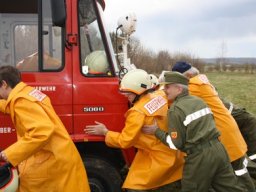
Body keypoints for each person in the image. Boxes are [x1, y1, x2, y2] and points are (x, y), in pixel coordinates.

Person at [85, 69, 184, 192]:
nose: (125, 96)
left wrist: (105, 132)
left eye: (128, 93)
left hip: (157, 157)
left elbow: (125, 141)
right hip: (173, 152)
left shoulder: (137, 112)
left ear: (138, 91)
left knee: (133, 187)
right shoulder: (159, 96)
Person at [0, 65, 90, 192]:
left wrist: (8, 154)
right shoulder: (27, 94)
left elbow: (41, 133)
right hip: (58, 158)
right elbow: (12, 106)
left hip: (50, 163)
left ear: (4, 84)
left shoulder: (22, 101)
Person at [172, 61, 255, 191]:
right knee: (238, 171)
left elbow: (174, 96)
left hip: (222, 134)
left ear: (187, 76)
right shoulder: (201, 81)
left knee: (237, 174)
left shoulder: (193, 86)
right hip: (228, 129)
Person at [154, 71, 244, 192]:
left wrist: (156, 131)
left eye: (167, 87)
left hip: (199, 157)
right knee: (230, 188)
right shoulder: (199, 101)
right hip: (219, 150)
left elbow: (176, 144)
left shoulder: (175, 110)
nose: (164, 90)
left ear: (179, 89)